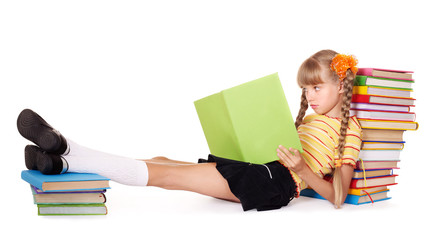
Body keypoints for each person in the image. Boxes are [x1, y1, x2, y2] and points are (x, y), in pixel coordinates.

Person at [17, 49, 362, 211]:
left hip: (276, 183)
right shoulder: (309, 121)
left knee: (168, 176)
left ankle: (66, 150)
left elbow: (338, 197)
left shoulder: (350, 130)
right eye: (305, 89)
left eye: (316, 88)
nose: (308, 96)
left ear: (341, 83)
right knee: (161, 159)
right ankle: (61, 161)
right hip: (262, 167)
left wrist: (301, 168)